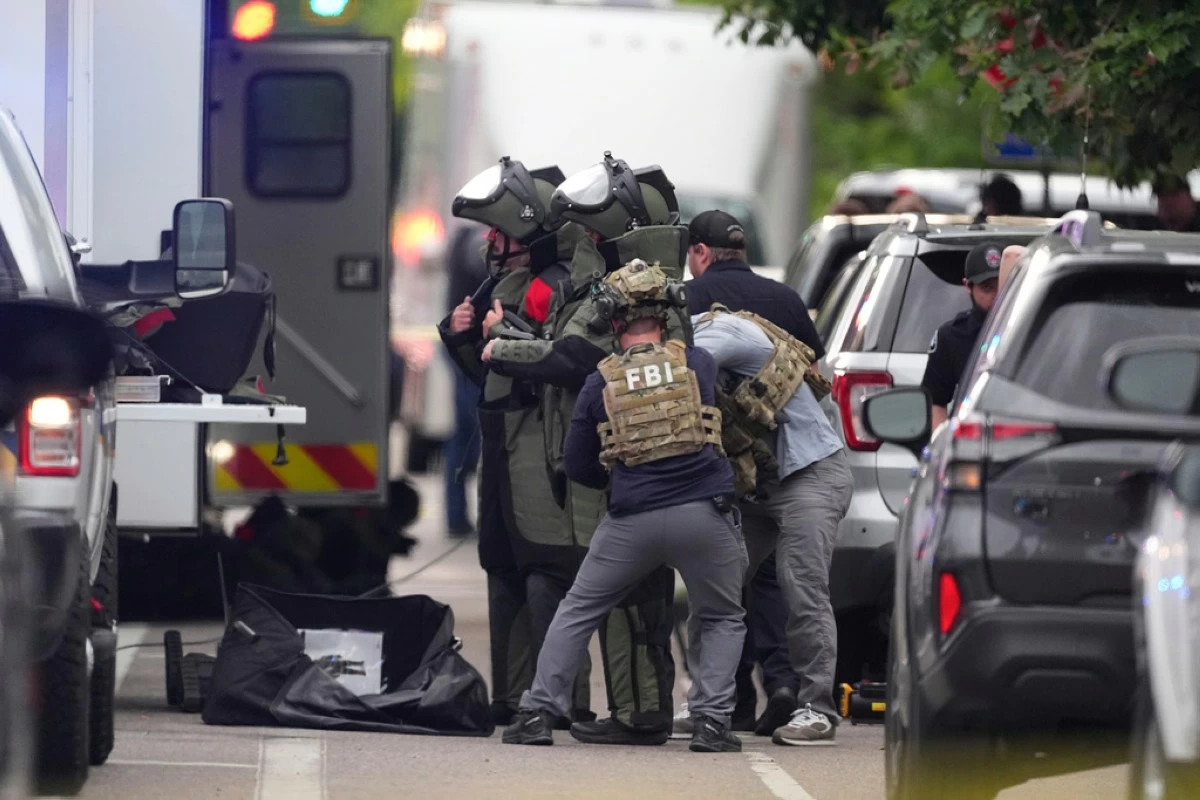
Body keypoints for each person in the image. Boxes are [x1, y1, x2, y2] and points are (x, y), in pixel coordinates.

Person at [483, 152, 689, 746]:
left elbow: (575, 359)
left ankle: (636, 713)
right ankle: (636, 710)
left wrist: (503, 343)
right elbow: (573, 349)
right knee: (624, 591)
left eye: (594, 231)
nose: (584, 240)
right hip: (637, 459)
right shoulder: (652, 286)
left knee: (620, 589)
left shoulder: (634, 290)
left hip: (627, 461)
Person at [502, 260, 748, 753]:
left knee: (578, 609)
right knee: (722, 615)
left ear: (613, 323)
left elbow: (578, 464)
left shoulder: (601, 379)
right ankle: (711, 724)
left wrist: (618, 481)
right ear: (666, 316)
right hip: (704, 512)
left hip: (631, 516)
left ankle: (536, 713)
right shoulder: (697, 364)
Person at [437, 156, 590, 726]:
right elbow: (493, 378)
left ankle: (560, 701)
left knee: (546, 570)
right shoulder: (504, 284)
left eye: (499, 232)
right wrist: (461, 341)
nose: (489, 241)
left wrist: (501, 335)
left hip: (540, 449)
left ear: (525, 237)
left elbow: (560, 367)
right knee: (501, 564)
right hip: (504, 442)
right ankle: (513, 696)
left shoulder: (554, 287)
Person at [682, 209, 824, 734]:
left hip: (721, 465)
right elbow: (813, 370)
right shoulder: (785, 299)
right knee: (774, 582)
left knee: (722, 584)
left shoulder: (691, 302)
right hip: (786, 462)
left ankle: (731, 698)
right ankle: (784, 683)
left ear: (699, 253)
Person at [684, 304, 852, 745]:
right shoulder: (689, 335)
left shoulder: (720, 329)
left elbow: (690, 367)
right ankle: (703, 700)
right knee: (716, 582)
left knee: (802, 588)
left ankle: (817, 708)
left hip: (811, 474)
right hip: (759, 487)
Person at [685, 210, 824, 359]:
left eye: (689, 253)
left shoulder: (683, 297)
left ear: (701, 252)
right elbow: (812, 373)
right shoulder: (788, 299)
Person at [921, 241, 1003, 430]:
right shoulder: (952, 337)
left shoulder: (1028, 329)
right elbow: (936, 402)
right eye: (987, 288)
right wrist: (941, 448)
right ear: (968, 286)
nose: (997, 295)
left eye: (1003, 284)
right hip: (969, 439)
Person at [442, 224, 489, 537]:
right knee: (474, 436)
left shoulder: (466, 238)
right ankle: (459, 517)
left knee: (465, 438)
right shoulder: (477, 241)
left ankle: (458, 517)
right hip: (470, 350)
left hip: (465, 347)